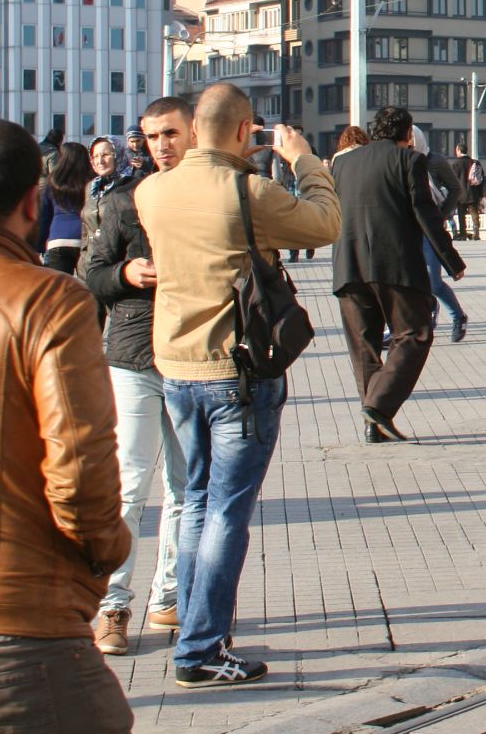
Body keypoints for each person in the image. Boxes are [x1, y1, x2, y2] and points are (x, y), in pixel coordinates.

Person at [134, 82, 341, 687]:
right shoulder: (247, 190)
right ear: (246, 129)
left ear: (193, 130)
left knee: (195, 500)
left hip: (175, 365)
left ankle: (201, 627)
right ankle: (199, 649)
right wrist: (303, 160)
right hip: (237, 370)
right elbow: (324, 223)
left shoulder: (151, 191)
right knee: (227, 511)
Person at [0, 118, 133, 731]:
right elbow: (81, 473)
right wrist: (107, 553)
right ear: (32, 201)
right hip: (12, 620)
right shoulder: (45, 301)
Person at [81, 95, 194, 655]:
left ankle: (167, 596)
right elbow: (92, 275)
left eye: (171, 135)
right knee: (128, 487)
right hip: (132, 355)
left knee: (183, 486)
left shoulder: (209, 196)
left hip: (193, 358)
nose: (162, 147)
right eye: (153, 138)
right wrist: (126, 271)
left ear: (193, 133)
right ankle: (112, 605)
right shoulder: (125, 202)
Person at [330, 108, 466, 443]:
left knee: (364, 346)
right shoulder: (409, 161)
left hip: (348, 266)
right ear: (407, 135)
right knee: (414, 334)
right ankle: (378, 407)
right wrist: (451, 260)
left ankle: (374, 422)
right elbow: (427, 215)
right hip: (396, 266)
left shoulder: (342, 163)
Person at [418, 128, 469, 342]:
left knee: (432, 281)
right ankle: (423, 317)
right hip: (405, 227)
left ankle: (458, 317)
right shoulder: (397, 160)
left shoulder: (434, 161)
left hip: (429, 227)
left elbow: (455, 189)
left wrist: (440, 215)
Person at [36, 140, 93, 276]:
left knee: (59, 291)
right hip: (84, 240)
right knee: (87, 290)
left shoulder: (53, 182)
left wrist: (38, 245)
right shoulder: (91, 181)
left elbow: (44, 217)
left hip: (58, 239)